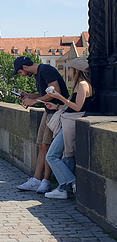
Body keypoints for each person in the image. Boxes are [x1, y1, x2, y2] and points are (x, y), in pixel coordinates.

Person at [14, 56, 69, 194]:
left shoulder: (46, 70)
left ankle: (46, 181)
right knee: (42, 145)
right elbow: (44, 94)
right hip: (48, 110)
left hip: (57, 110)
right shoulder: (39, 73)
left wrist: (35, 101)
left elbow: (55, 92)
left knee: (48, 146)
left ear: (25, 68)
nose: (22, 75)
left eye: (21, 72)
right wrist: (29, 96)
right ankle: (36, 180)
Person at [43, 58, 93, 199]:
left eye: (70, 69)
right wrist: (57, 106)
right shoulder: (80, 85)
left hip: (71, 123)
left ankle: (72, 182)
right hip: (69, 121)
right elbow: (74, 106)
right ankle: (63, 189)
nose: (69, 71)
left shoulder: (83, 85)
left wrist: (58, 96)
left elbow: (77, 107)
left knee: (52, 156)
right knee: (67, 157)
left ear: (77, 71)